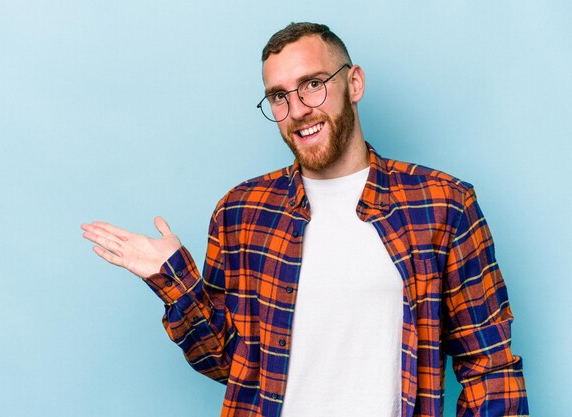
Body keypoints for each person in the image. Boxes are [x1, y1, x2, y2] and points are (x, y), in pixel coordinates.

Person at [81, 22, 528, 417]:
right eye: (279, 96)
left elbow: (489, 365)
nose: (297, 110)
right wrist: (173, 279)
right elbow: (229, 363)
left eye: (313, 84)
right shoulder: (242, 212)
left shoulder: (442, 204)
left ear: (354, 83)